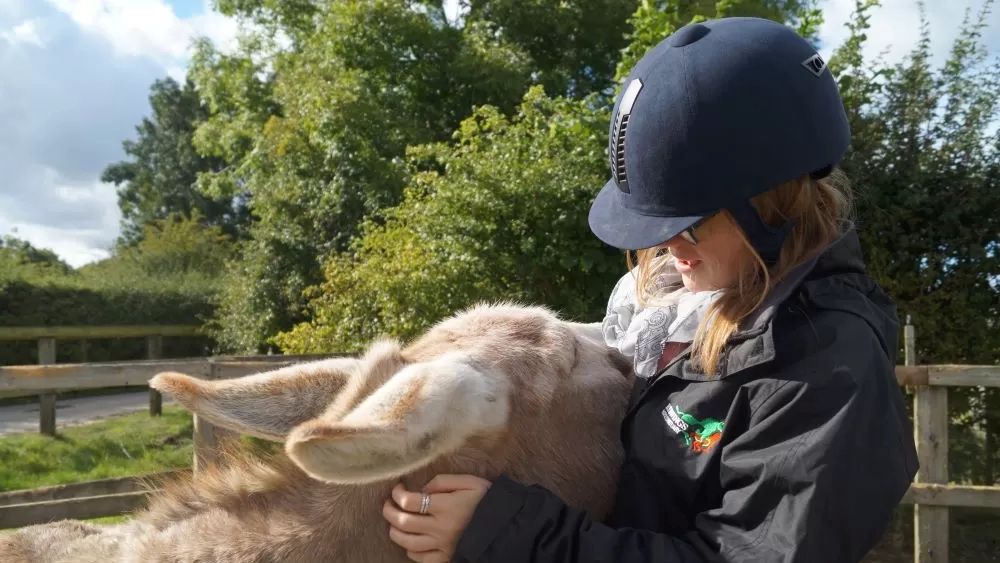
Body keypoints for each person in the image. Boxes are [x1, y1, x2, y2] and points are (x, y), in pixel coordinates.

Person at [381, 16, 919, 563]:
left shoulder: (824, 370)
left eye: (690, 224)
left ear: (770, 205)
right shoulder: (668, 312)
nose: (669, 248)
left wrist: (512, 535)